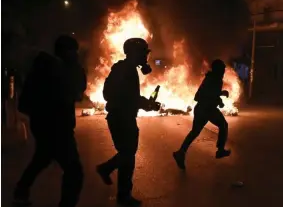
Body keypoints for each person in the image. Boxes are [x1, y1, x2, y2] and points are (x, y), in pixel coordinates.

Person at [14, 35, 87, 207]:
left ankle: (20, 191)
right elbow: (76, 90)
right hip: (57, 127)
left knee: (42, 158)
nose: (75, 54)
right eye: (72, 51)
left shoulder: (45, 67)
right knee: (74, 171)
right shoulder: (57, 70)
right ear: (65, 51)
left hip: (44, 125)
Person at [96, 38, 161, 207]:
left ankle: (106, 169)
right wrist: (146, 104)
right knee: (128, 156)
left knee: (127, 153)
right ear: (135, 53)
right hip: (121, 118)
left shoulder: (126, 69)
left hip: (122, 117)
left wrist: (145, 103)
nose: (146, 57)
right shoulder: (125, 70)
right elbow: (124, 96)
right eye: (143, 53)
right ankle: (123, 196)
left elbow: (126, 96)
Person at [173, 59, 231, 170]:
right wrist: (219, 97)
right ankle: (220, 150)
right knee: (223, 125)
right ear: (218, 69)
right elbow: (201, 95)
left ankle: (181, 152)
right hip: (207, 109)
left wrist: (219, 97)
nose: (224, 71)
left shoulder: (211, 78)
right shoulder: (215, 79)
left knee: (195, 132)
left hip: (201, 109)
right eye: (222, 69)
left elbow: (207, 94)